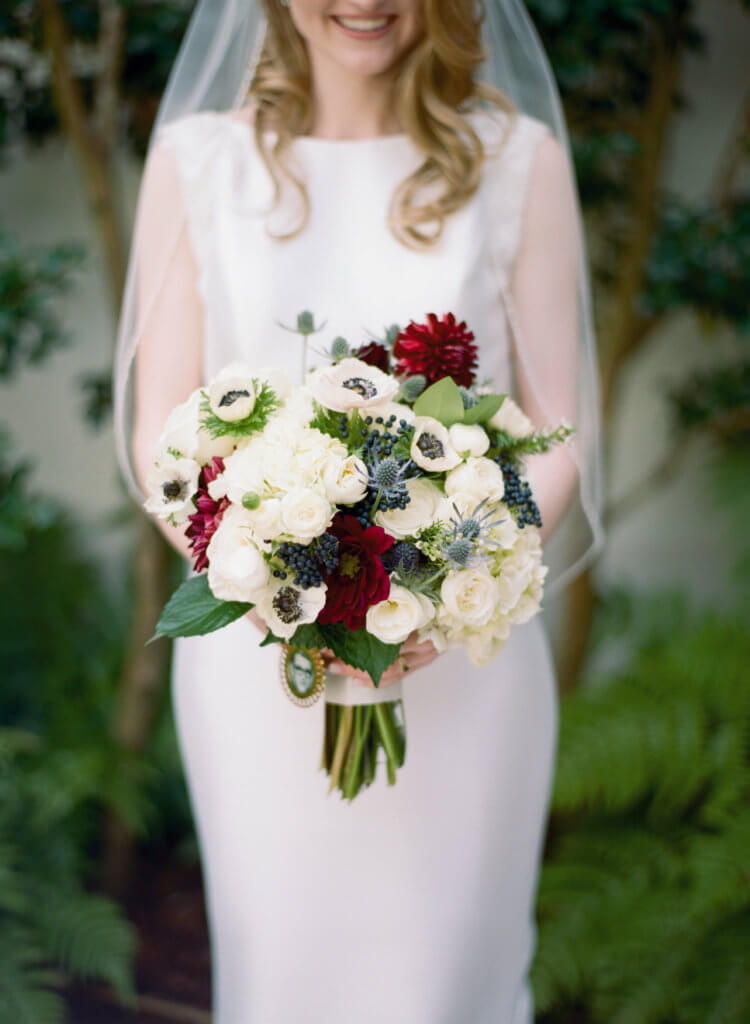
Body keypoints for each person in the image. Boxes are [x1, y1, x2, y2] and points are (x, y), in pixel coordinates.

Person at [114, 1, 604, 1020]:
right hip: (259, 661)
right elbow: (161, 427)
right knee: (286, 974)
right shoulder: (200, 162)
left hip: (463, 655)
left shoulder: (518, 161)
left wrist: (450, 581)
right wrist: (268, 587)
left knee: (444, 981)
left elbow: (560, 420)